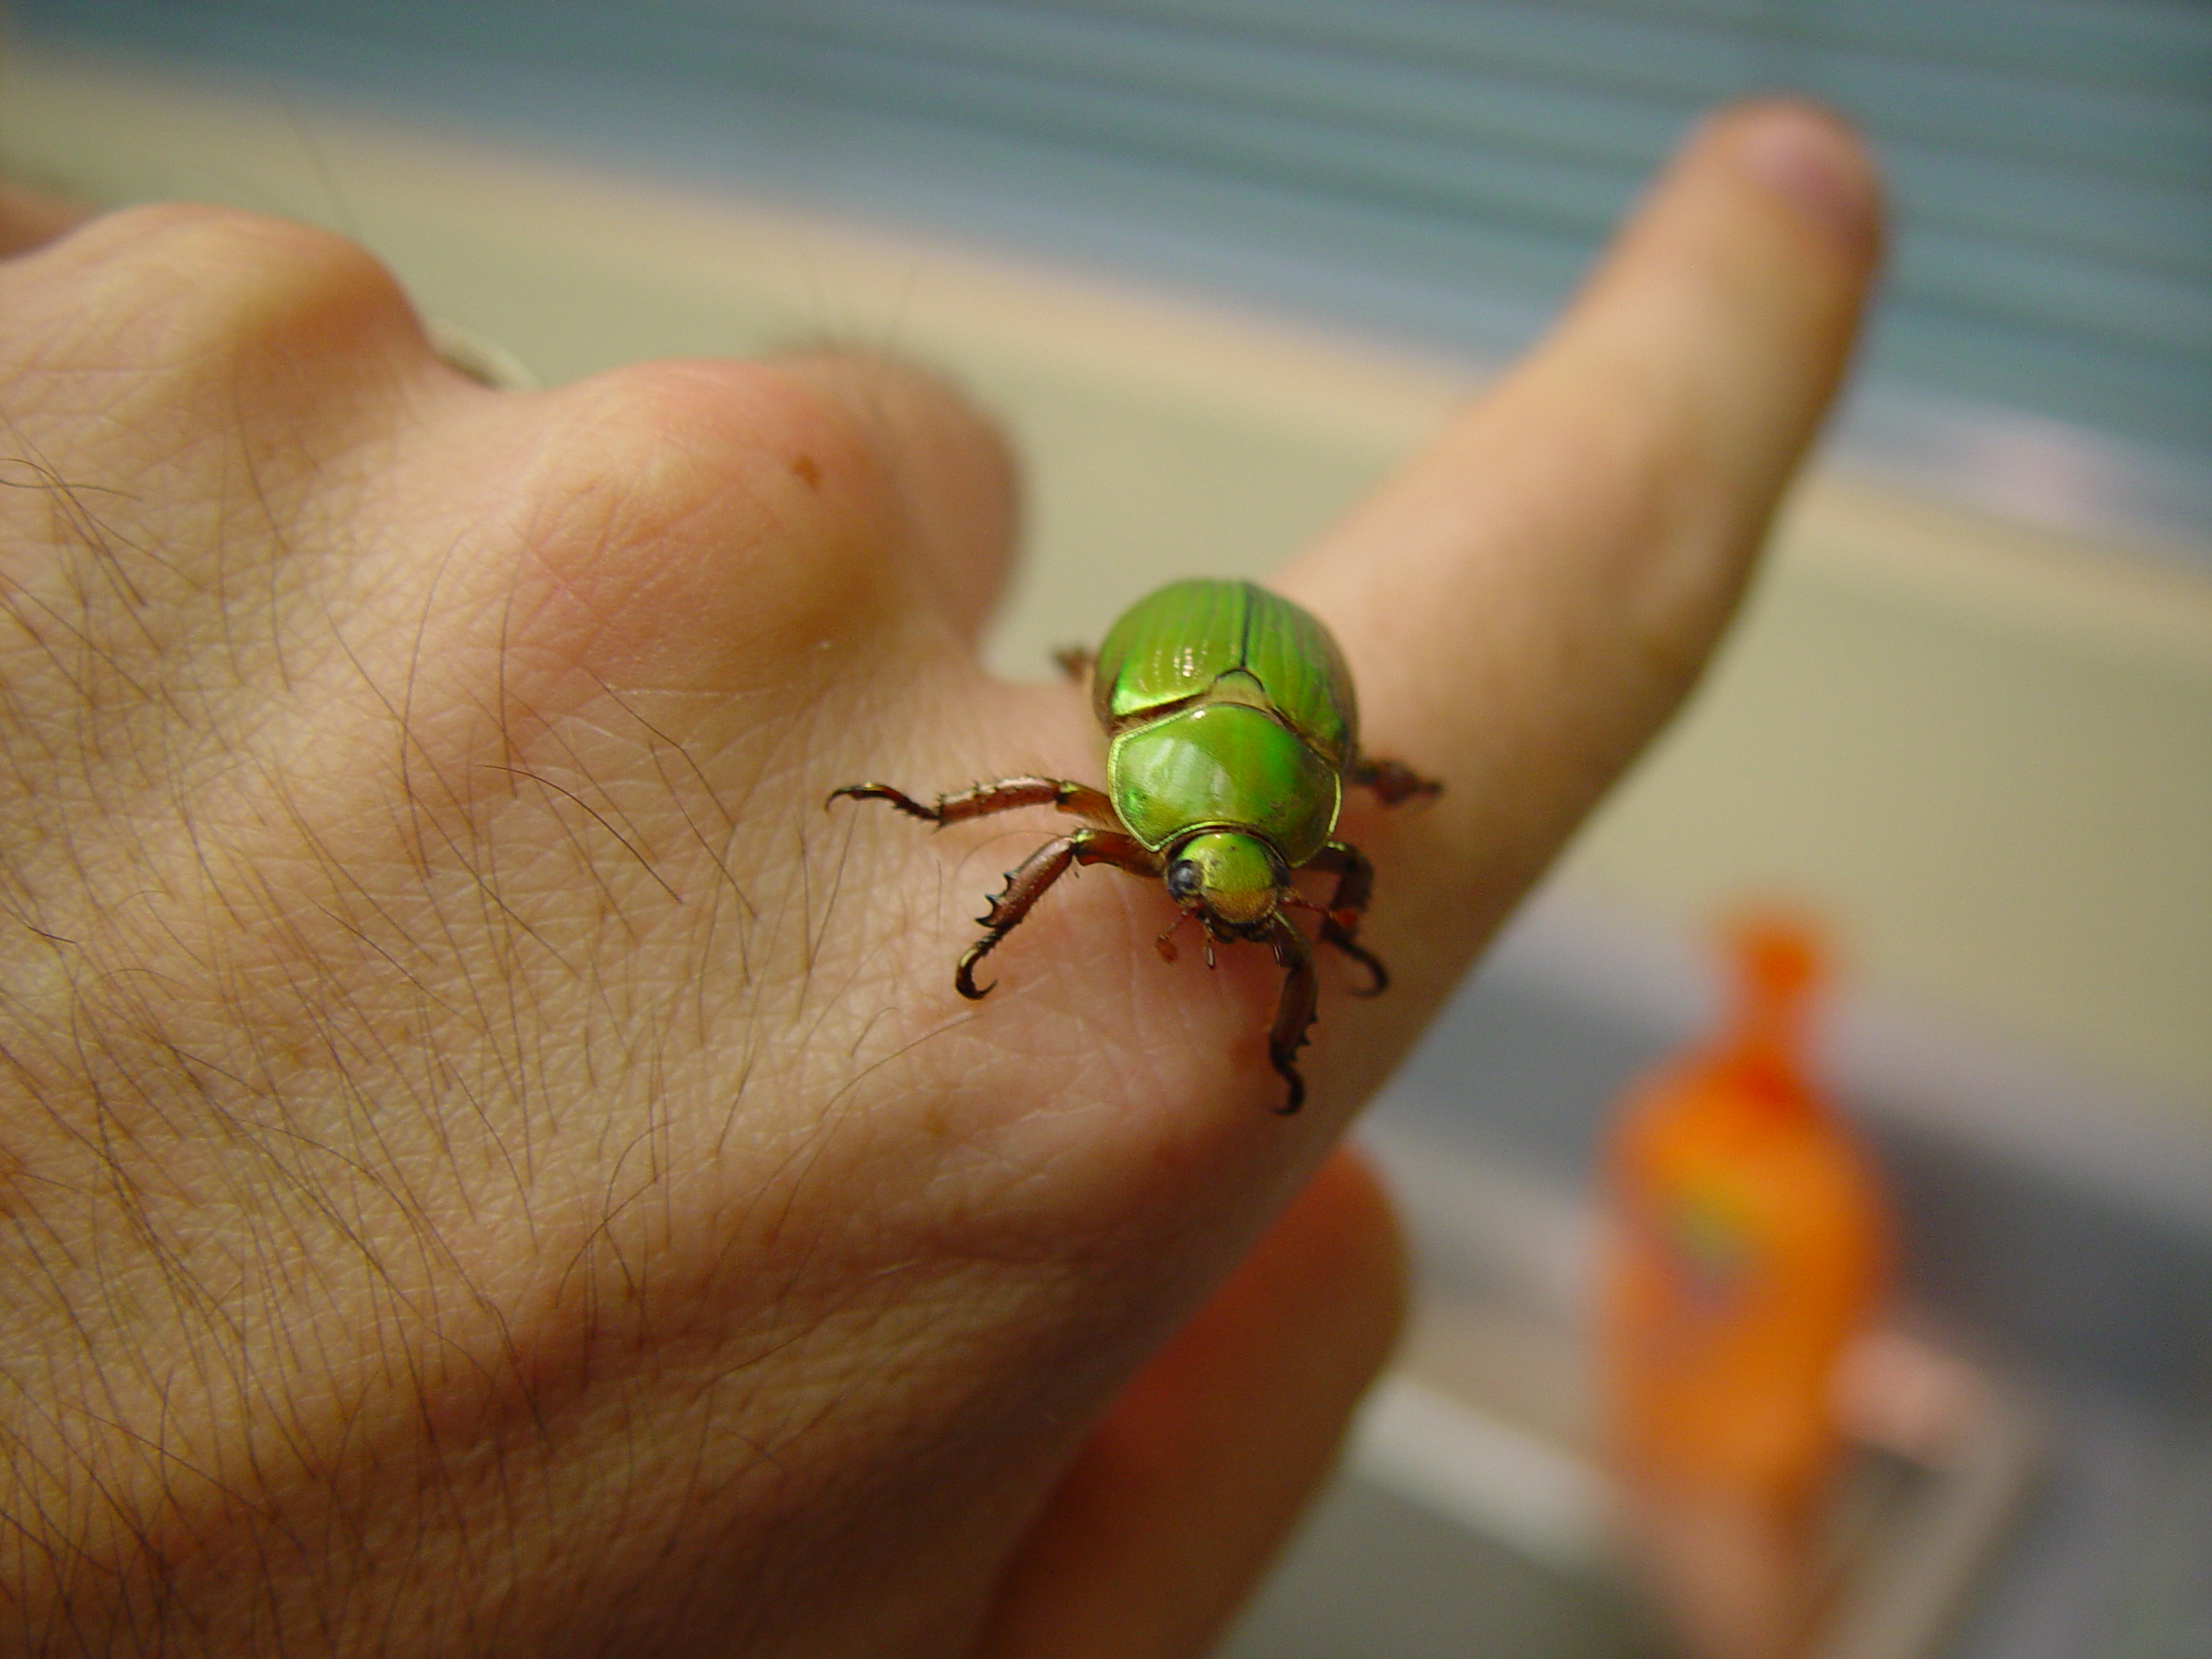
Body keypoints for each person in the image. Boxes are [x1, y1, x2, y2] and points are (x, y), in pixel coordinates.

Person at [0, 99, 1878, 1656]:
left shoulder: (1293, 841)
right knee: (1040, 843)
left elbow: (1312, 902)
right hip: (1166, 685)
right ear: (1133, 777)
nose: (1209, 902)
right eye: (1185, 859)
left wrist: (1311, 938)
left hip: (1260, 702)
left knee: (1316, 884)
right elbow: (1074, 834)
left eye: (1243, 875)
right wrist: (972, 902)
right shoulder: (1107, 794)